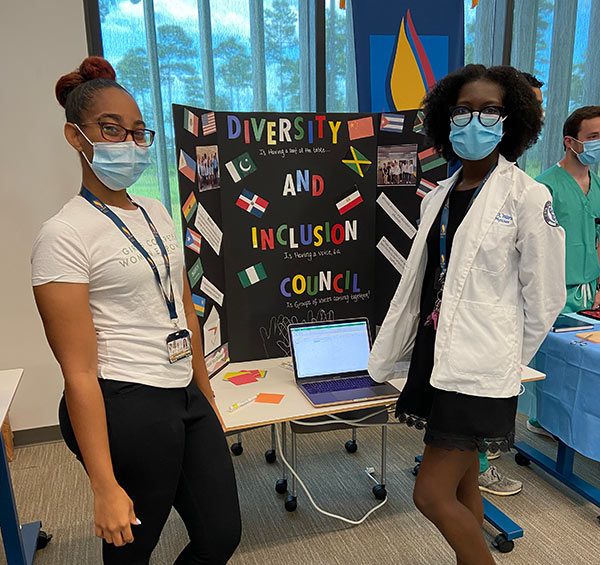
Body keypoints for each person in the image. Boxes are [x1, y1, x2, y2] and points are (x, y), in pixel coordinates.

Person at [31, 56, 241, 564]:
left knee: (221, 535)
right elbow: (78, 371)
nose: (128, 143)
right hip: (124, 400)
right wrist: (102, 485)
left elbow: (183, 309)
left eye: (137, 132)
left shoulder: (155, 210)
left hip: (184, 390)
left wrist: (205, 395)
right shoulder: (64, 235)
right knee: (133, 547)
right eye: (111, 129)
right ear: (76, 137)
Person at [368, 64, 566, 565]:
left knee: (429, 495)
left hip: (481, 369)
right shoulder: (438, 193)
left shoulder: (527, 196)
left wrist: (504, 358)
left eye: (489, 111)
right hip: (437, 358)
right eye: (463, 110)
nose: (473, 121)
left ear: (511, 121)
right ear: (445, 119)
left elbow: (545, 297)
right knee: (462, 488)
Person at [536, 106, 600, 313]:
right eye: (593, 137)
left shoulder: (597, 187)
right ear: (569, 142)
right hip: (551, 298)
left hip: (591, 297)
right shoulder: (544, 188)